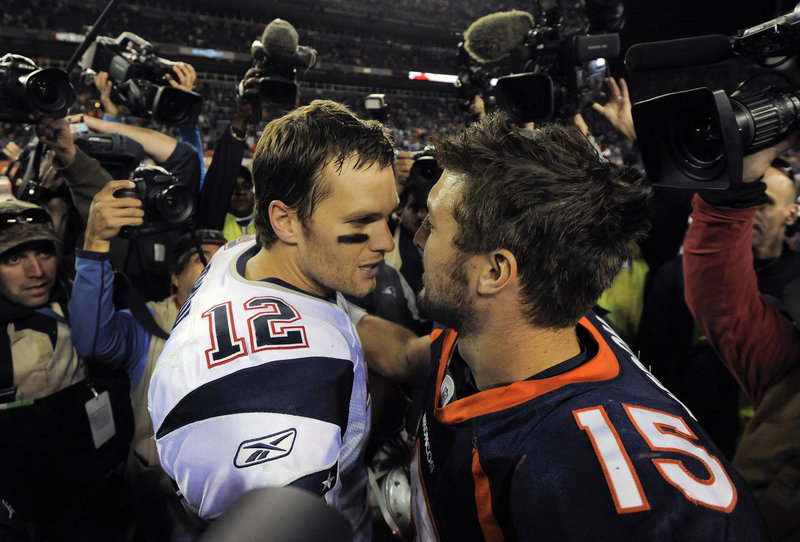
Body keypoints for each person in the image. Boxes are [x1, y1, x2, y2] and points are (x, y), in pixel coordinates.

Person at [359, 114, 768, 540]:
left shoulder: (596, 484)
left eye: (435, 224)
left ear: (496, 271)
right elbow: (407, 355)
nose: (415, 238)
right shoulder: (527, 328)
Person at [147, 99, 397, 540]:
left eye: (387, 216)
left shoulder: (239, 253)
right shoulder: (284, 409)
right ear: (285, 220)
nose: (385, 240)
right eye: (363, 220)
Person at [69, 180, 227, 540]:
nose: (217, 272)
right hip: (160, 496)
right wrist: (95, 246)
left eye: (227, 264)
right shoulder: (147, 324)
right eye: (203, 262)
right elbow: (92, 341)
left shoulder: (251, 324)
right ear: (173, 277)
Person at [683, 141, 800, 541]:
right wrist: (730, 191)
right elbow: (721, 300)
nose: (755, 214)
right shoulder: (790, 364)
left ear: (792, 214)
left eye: (764, 203)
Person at [0, 199, 132, 540]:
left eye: (44, 253)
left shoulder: (84, 306)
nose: (36, 271)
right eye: (13, 258)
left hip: (97, 503)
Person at [221, 165, 255, 241]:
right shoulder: (219, 226)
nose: (241, 192)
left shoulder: (267, 224)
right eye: (234, 187)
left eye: (246, 186)